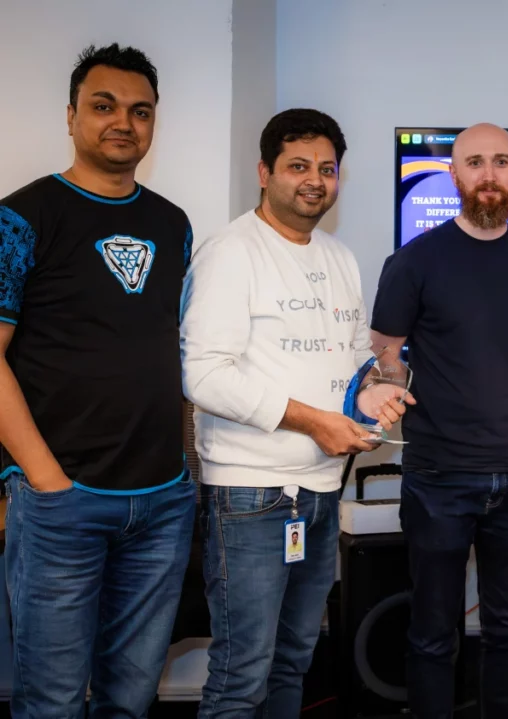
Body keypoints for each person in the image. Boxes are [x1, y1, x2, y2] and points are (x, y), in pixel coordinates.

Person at [179, 108, 409, 717]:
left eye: (327, 169)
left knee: (295, 661)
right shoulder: (230, 253)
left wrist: (369, 392)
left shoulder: (339, 257)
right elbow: (202, 375)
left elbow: (355, 357)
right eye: (298, 166)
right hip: (253, 496)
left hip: (319, 491)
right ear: (264, 172)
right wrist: (315, 421)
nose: (314, 180)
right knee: (241, 675)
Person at [0, 44, 196, 717]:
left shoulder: (173, 225)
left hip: (162, 504)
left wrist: (182, 470)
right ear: (71, 115)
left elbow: (164, 349)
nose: (124, 122)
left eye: (140, 111)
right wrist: (42, 481)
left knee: (131, 699)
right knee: (52, 701)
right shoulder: (21, 217)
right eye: (104, 105)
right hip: (64, 504)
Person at [369, 122, 508, 719]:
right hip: (437, 474)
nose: (489, 174)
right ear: (453, 174)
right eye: (475, 162)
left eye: (501, 161)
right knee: (433, 631)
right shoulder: (414, 260)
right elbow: (387, 350)